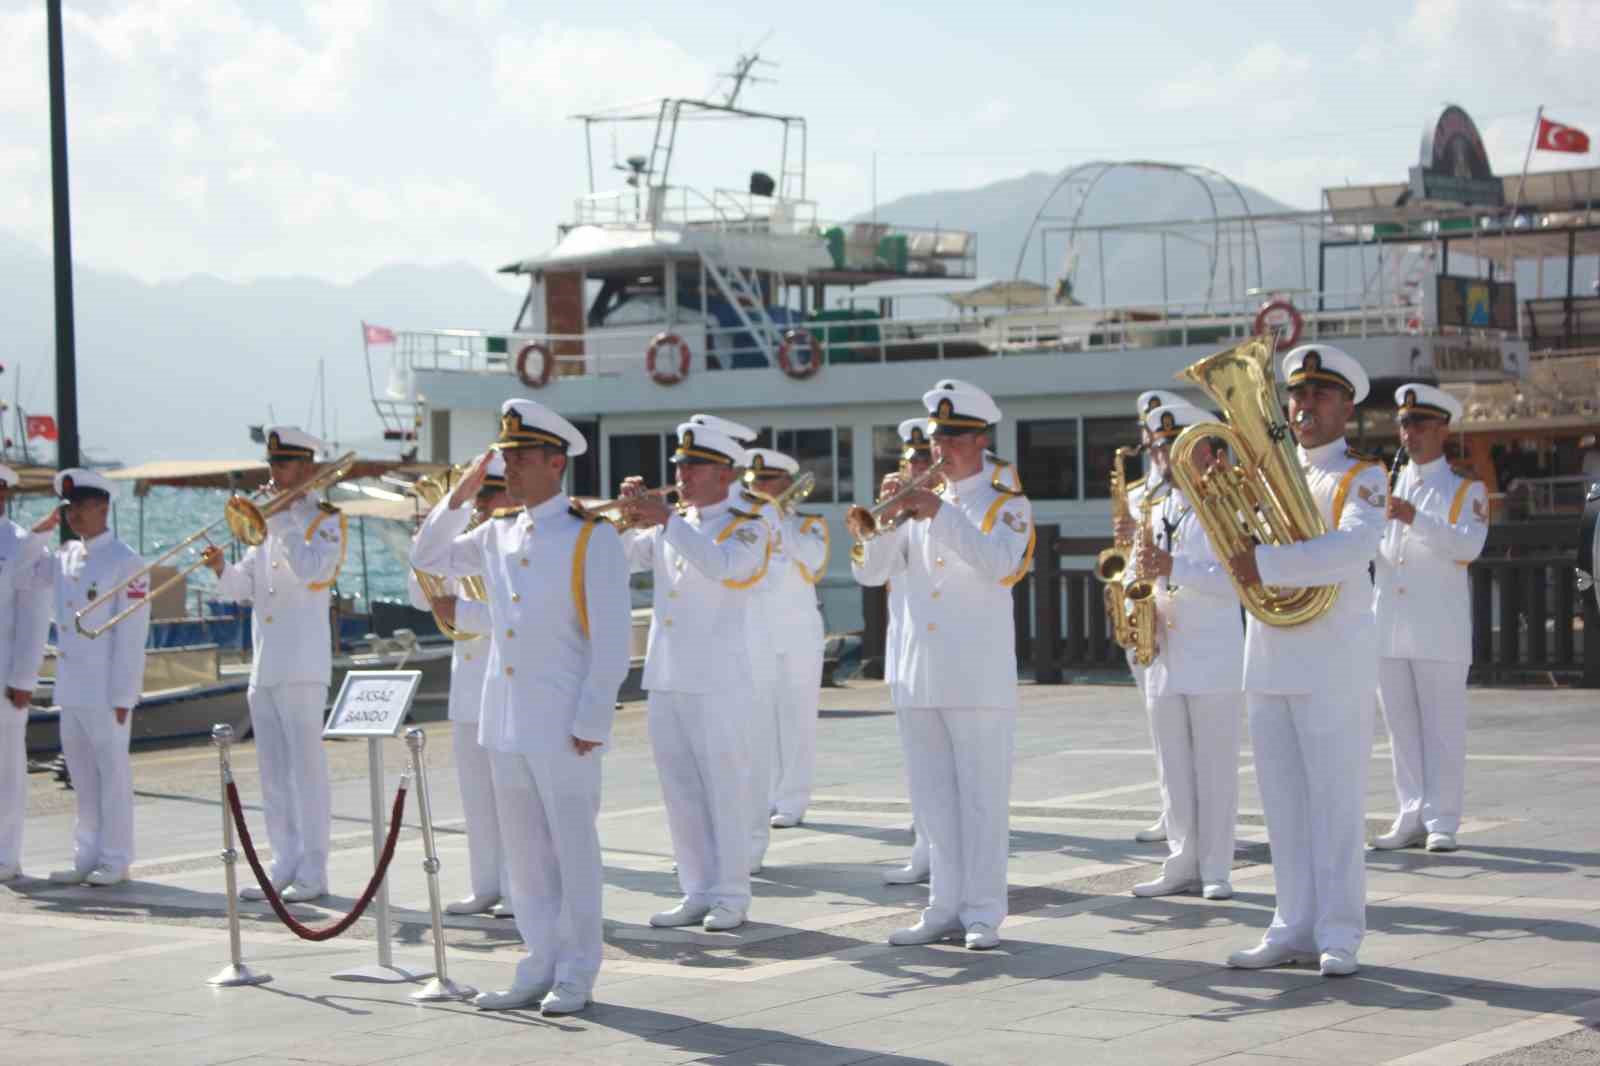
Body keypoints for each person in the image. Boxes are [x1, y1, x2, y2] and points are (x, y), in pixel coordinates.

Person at [412, 399, 630, 1015]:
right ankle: (537, 962)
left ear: (555, 462)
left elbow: (612, 640)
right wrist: (459, 495)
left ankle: (579, 969)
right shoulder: (497, 531)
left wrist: (592, 719)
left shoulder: (591, 537)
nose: (509, 466)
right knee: (526, 853)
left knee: (572, 847)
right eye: (505, 456)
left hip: (563, 720)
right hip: (505, 715)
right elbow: (426, 558)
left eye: (521, 456)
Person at [850, 380, 1033, 951]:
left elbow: (1003, 565)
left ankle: (983, 912)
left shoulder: (1006, 505)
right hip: (917, 676)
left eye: (952, 437)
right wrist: (886, 521)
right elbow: (869, 574)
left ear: (980, 439)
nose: (941, 448)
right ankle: (942, 906)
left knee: (980, 799)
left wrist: (936, 512)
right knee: (933, 804)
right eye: (936, 437)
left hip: (976, 678)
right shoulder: (916, 504)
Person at [1221, 345, 1386, 978]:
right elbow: (1230, 551)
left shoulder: (1361, 476)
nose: (1303, 405)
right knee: (1282, 804)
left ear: (1347, 406)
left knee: (1335, 803)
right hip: (1269, 654)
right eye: (1296, 395)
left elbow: (1352, 550)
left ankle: (1339, 931)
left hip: (1331, 660)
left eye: (1319, 395)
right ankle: (1291, 923)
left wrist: (1265, 562)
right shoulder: (1262, 475)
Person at [619, 421, 771, 933]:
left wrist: (666, 521)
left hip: (719, 679)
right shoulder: (673, 523)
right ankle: (696, 889)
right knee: (680, 790)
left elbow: (725, 567)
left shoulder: (747, 523)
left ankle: (732, 893)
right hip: (667, 674)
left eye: (694, 465)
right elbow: (620, 559)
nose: (682, 474)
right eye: (680, 465)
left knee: (724, 790)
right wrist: (624, 519)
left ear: (725, 473)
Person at [203, 427, 346, 903]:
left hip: (303, 665)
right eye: (272, 465)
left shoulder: (324, 521)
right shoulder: (263, 527)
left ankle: (313, 869)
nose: (274, 474)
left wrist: (281, 520)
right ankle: (283, 861)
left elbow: (314, 572)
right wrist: (222, 569)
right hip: (265, 664)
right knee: (273, 772)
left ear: (307, 468)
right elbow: (244, 589)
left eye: (283, 465)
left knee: (306, 771)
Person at [1131, 408, 1244, 900]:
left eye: (1174, 446)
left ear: (1202, 451)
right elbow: (1151, 578)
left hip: (1213, 652)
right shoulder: (1157, 510)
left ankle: (1217, 867)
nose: (1164, 456)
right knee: (1171, 766)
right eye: (1158, 447)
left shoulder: (1230, 507)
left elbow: (1238, 583)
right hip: (1166, 653)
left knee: (1214, 767)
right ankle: (1181, 861)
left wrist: (1173, 565)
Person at [1372, 384, 1489, 854]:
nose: (1410, 433)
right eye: (1404, 424)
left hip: (1439, 628)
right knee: (1401, 730)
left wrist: (1414, 516)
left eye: (1419, 424)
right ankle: (1410, 813)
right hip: (1389, 626)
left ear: (1442, 430)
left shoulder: (1465, 489)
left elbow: (1468, 546)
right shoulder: (1385, 484)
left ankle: (1442, 818)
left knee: (1442, 729)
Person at [406, 451, 513, 916]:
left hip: (506, 681)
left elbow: (525, 619)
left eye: (489, 494)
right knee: (476, 795)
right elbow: (418, 595)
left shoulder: (519, 543)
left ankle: (516, 886)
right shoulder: (470, 540)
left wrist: (466, 612)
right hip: (469, 683)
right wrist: (441, 522)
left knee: (511, 796)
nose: (483, 504)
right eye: (478, 494)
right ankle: (485, 883)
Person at [32, 469, 151, 886]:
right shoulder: (64, 555)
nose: (73, 516)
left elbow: (132, 636)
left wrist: (124, 693)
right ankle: (86, 853)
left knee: (112, 776)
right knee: (82, 777)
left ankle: (115, 857)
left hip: (106, 689)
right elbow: (26, 568)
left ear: (102, 507)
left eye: (80, 507)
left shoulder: (126, 561)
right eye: (68, 509)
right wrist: (39, 532)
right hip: (72, 687)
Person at [744, 449, 830, 832]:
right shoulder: (745, 525)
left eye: (767, 481)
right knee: (758, 721)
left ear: (786, 485)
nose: (758, 488)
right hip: (756, 631)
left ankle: (792, 801)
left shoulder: (809, 524)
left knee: (796, 720)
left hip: (798, 634)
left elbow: (813, 561)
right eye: (754, 481)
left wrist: (779, 523)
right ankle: (763, 798)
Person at [869, 418, 937, 886]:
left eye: (925, 460)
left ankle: (948, 860)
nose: (917, 468)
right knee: (918, 763)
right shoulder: (904, 515)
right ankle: (924, 847)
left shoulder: (952, 510)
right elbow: (871, 574)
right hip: (905, 653)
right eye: (911, 461)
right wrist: (884, 521)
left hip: (948, 658)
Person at [1125, 389, 1189, 845]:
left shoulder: (1185, 490)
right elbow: (1131, 556)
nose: (1154, 446)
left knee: (1190, 733)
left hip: (1183, 618)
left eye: (1161, 437)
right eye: (1150, 436)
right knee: (1159, 724)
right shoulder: (1138, 492)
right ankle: (1172, 811)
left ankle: (1189, 822)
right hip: (1144, 614)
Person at [0, 465, 51, 883]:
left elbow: (35, 619)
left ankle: (6, 855)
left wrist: (23, 679)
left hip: (4, 678)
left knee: (6, 770)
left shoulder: (24, 546)